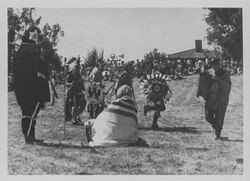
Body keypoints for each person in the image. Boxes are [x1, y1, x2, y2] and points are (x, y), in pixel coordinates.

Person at [13, 26, 49, 144]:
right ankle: (29, 136)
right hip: (33, 87)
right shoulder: (34, 50)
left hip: (21, 88)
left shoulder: (20, 50)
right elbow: (40, 68)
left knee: (26, 112)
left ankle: (29, 136)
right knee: (31, 112)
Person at [197, 58, 231, 140]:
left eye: (216, 64)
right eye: (213, 65)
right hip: (211, 99)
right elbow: (203, 79)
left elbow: (228, 87)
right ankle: (217, 127)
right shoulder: (209, 72)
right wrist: (202, 70)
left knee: (220, 117)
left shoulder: (225, 73)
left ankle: (218, 134)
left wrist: (218, 80)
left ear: (219, 64)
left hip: (221, 99)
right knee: (208, 116)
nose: (214, 66)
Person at [65, 60, 86, 124]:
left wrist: (83, 87)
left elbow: (82, 84)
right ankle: (73, 118)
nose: (76, 70)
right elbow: (66, 83)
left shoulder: (79, 76)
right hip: (72, 93)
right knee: (75, 105)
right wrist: (70, 84)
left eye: (78, 68)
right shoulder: (70, 76)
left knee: (83, 104)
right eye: (75, 68)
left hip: (79, 92)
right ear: (73, 69)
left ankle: (76, 116)